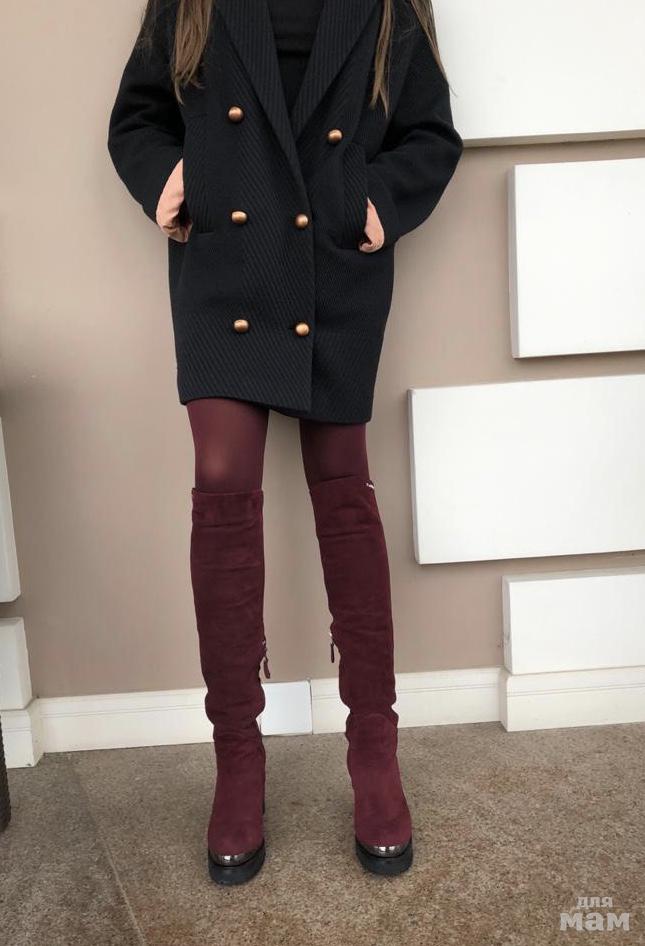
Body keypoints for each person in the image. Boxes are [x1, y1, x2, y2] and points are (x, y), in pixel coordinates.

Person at [107, 0, 463, 886]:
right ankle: (237, 755)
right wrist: (166, 180)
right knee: (221, 479)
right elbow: (137, 116)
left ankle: (373, 748)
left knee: (342, 478)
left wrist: (375, 202)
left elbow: (430, 132)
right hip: (225, 266)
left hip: (333, 265)